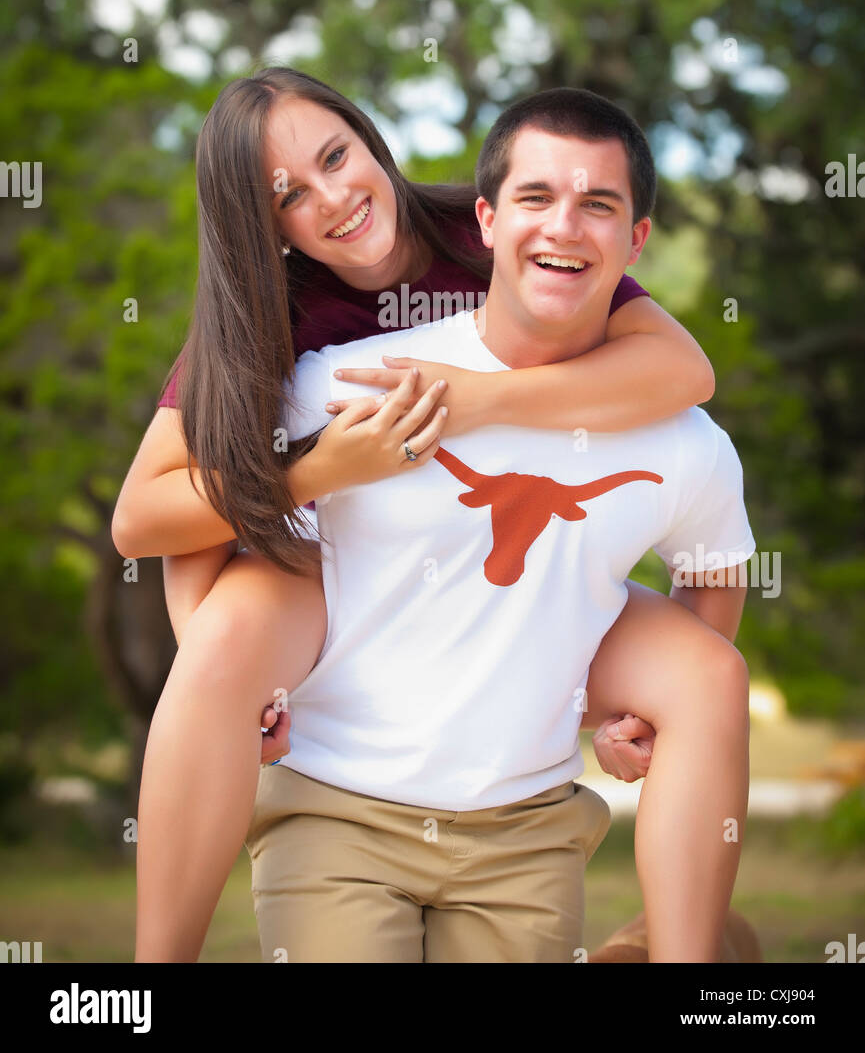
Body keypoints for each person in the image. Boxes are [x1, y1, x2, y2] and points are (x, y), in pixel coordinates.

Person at [111, 69, 736, 963]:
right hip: (336, 564)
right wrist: (323, 470)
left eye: (337, 155)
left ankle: (696, 979)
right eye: (288, 194)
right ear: (260, 225)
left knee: (704, 670)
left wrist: (481, 399)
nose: (333, 198)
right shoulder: (268, 318)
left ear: (370, 139)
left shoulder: (494, 227)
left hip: (511, 563)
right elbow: (152, 519)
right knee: (225, 641)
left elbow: (683, 376)